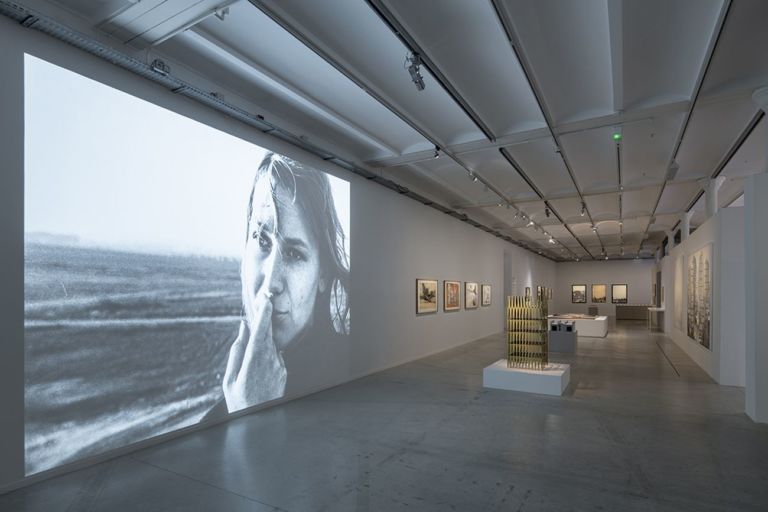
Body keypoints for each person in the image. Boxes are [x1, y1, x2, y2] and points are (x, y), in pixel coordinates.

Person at [206, 152, 349, 418]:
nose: (270, 282)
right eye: (262, 240)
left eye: (294, 253)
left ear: (323, 274)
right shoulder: (215, 420)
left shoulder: (352, 382)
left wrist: (252, 422)